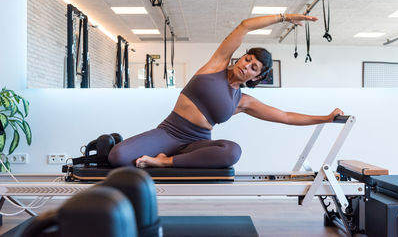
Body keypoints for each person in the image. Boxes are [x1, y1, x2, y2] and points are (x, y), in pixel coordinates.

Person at [108, 14, 344, 169]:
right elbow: (245, 26)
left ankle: (165, 162)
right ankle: (161, 157)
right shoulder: (217, 65)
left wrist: (326, 118)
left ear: (257, 77)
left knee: (232, 152)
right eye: (247, 58)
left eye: (254, 67)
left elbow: (285, 116)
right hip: (169, 132)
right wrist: (284, 17)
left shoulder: (242, 101)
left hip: (196, 144)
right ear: (241, 56)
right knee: (116, 156)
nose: (246, 65)